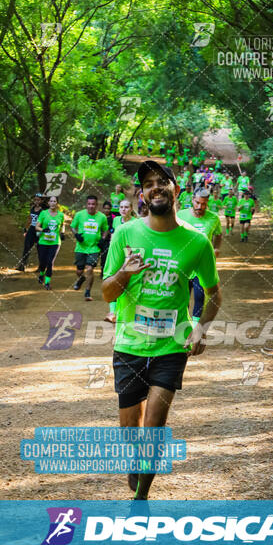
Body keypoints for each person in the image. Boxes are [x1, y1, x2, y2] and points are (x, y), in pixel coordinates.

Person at [102, 160, 221, 500]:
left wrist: (200, 328)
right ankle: (133, 463)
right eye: (149, 183)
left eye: (162, 181)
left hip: (171, 346)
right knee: (130, 433)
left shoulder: (197, 243)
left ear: (175, 190)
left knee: (153, 428)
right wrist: (124, 273)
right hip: (129, 344)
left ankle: (141, 500)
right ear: (142, 194)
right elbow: (107, 292)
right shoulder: (126, 234)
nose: (156, 187)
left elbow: (214, 294)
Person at [177, 187, 222, 323]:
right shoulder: (180, 215)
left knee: (199, 296)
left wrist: (216, 248)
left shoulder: (213, 218)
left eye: (203, 204)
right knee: (181, 297)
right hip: (183, 264)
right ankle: (182, 324)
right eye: (197, 203)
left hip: (201, 265)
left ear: (207, 202)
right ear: (192, 200)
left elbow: (219, 234)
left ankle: (196, 328)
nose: (199, 206)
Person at [71, 195, 109, 301]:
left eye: (93, 204)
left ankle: (87, 291)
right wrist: (76, 235)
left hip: (94, 248)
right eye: (89, 204)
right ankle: (81, 278)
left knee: (90, 269)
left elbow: (106, 229)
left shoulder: (102, 217)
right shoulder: (79, 215)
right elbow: (73, 226)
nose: (91, 206)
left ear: (96, 205)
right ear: (86, 204)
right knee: (79, 271)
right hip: (81, 248)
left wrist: (103, 238)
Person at [104, 199, 136, 323]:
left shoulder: (136, 222)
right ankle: (112, 312)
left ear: (131, 209)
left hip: (129, 255)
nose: (123, 209)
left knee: (127, 282)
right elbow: (113, 236)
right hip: (116, 254)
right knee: (113, 279)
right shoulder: (116, 220)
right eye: (121, 207)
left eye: (126, 207)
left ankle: (123, 310)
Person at [35, 195, 65, 290]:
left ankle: (47, 283)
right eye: (51, 201)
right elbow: (37, 227)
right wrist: (43, 230)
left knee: (50, 262)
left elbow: (63, 224)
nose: (52, 203)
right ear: (48, 203)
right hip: (43, 242)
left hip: (55, 242)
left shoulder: (61, 215)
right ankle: (41, 274)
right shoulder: (43, 213)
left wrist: (63, 232)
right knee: (43, 262)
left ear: (57, 204)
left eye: (54, 201)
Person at [15, 193, 45, 272]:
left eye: (38, 200)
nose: (36, 201)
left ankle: (41, 267)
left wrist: (43, 231)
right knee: (27, 247)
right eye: (35, 200)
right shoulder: (32, 208)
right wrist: (25, 228)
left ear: (41, 201)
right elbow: (30, 219)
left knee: (40, 249)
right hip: (31, 229)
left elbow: (44, 222)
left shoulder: (43, 211)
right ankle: (22, 266)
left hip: (38, 230)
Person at [100, 201, 114, 278]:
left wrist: (110, 232)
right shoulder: (100, 217)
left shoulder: (112, 218)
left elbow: (113, 228)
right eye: (105, 208)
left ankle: (103, 271)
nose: (106, 210)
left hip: (108, 240)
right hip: (99, 238)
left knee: (104, 256)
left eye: (108, 209)